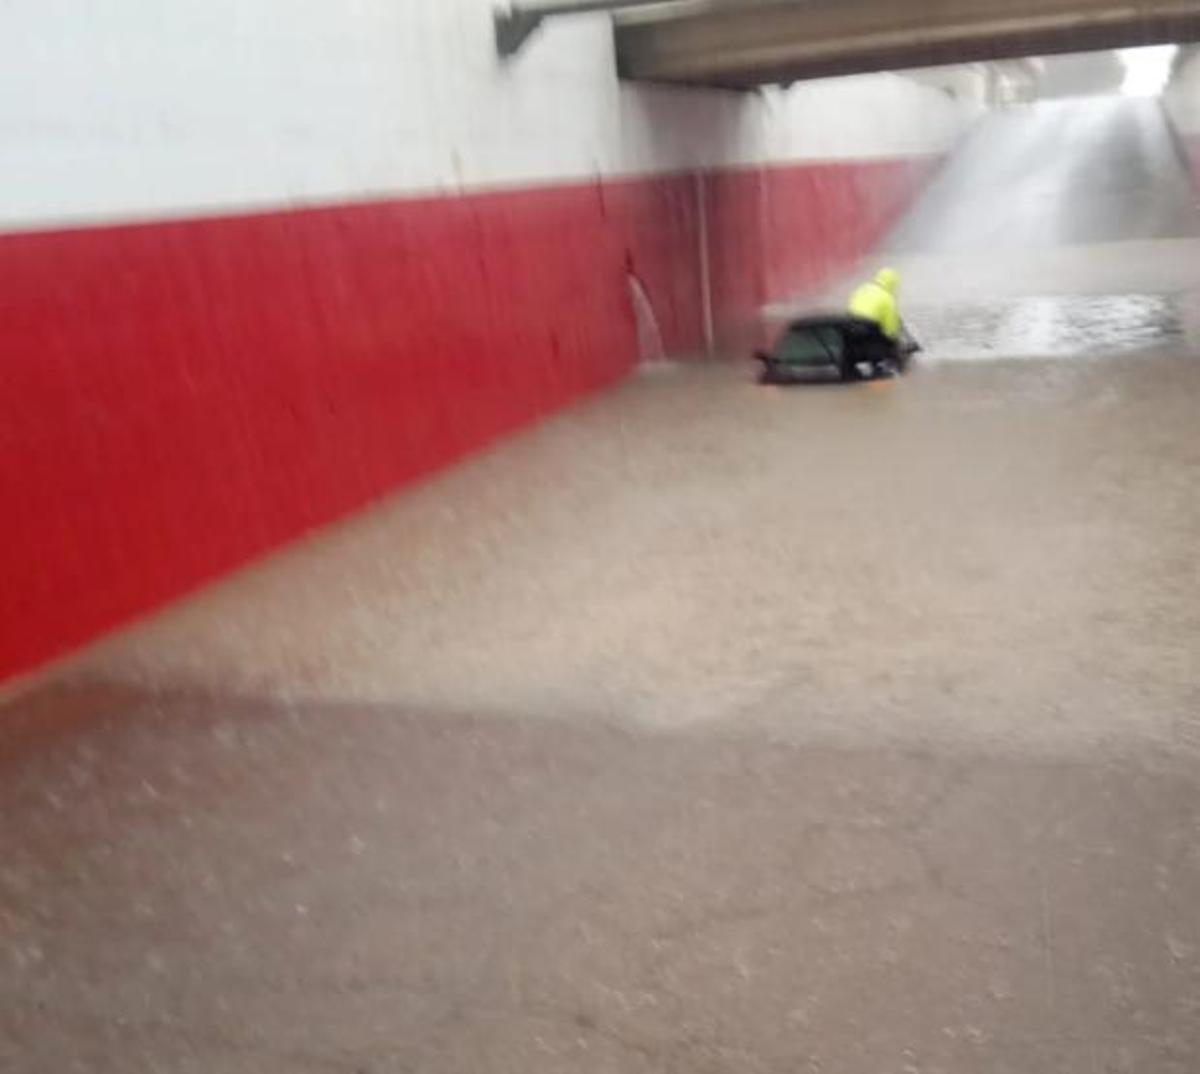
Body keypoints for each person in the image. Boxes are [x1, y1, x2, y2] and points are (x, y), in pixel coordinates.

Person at [846, 267, 902, 376]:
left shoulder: (863, 288)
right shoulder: (888, 298)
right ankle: (880, 368)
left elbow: (850, 307)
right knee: (886, 339)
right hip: (868, 329)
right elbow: (890, 329)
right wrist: (893, 344)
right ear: (893, 284)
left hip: (849, 326)